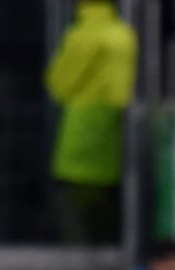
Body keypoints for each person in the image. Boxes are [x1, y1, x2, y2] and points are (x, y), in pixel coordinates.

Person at [45, 0, 137, 243]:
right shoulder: (123, 35)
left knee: (75, 221)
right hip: (114, 142)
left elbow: (58, 84)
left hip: (80, 142)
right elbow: (122, 92)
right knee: (107, 226)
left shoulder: (81, 35)